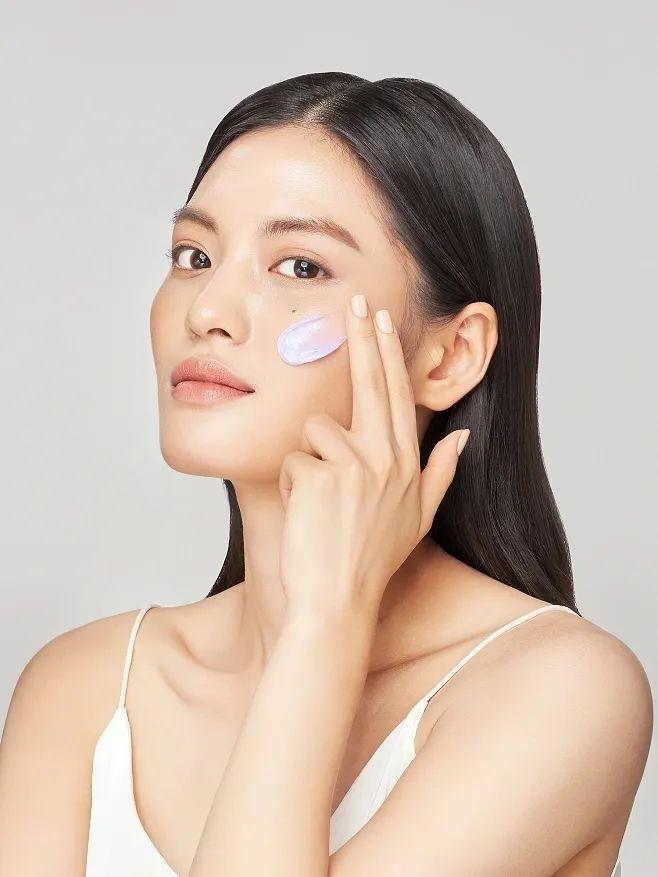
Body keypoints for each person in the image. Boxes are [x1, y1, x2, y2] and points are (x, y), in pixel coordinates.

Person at [0, 72, 651, 876]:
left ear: (450, 355)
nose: (207, 310)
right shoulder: (87, 688)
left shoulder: (558, 689)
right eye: (194, 255)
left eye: (301, 267)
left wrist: (322, 628)